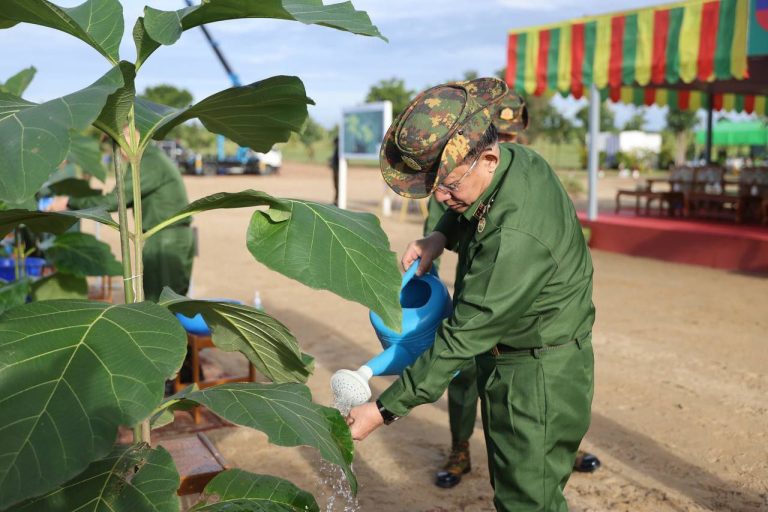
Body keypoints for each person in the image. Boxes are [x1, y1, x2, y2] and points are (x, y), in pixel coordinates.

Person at [347, 77, 595, 511]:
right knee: (522, 490)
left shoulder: (513, 239)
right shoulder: (517, 163)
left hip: (534, 377)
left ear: (488, 157)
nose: (441, 198)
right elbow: (476, 211)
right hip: (523, 360)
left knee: (527, 502)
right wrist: (439, 236)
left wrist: (383, 410)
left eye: (449, 186)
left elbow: (463, 337)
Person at [425, 92, 600, 489]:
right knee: (463, 375)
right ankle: (460, 448)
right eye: (499, 135)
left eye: (511, 137)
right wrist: (436, 242)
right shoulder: (454, 181)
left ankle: (550, 448)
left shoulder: (519, 175)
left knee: (530, 422)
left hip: (513, 314)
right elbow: (443, 224)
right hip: (476, 298)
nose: (505, 146)